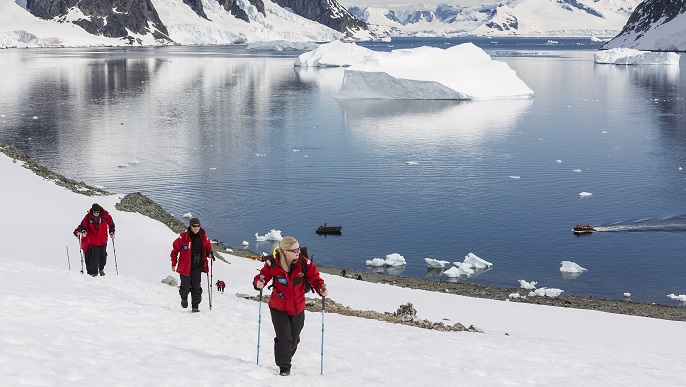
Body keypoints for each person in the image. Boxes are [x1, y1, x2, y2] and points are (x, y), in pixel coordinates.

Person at [253, 236, 328, 376]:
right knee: (284, 337)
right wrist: (259, 283)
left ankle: (285, 356)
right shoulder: (273, 264)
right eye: (294, 250)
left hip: (298, 308)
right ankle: (284, 367)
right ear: (285, 251)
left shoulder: (304, 263)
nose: (298, 252)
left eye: (298, 249)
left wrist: (321, 289)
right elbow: (262, 276)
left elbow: (315, 278)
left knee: (294, 338)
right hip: (278, 307)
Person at [171, 218, 214, 313]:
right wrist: (174, 263)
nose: (196, 228)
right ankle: (184, 297)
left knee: (196, 287)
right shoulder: (183, 237)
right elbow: (175, 250)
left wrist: (209, 253)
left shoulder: (203, 237)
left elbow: (208, 248)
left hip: (197, 266)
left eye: (198, 226)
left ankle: (195, 306)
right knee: (185, 286)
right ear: (190, 226)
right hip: (185, 266)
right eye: (194, 226)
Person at [74, 203, 115, 277]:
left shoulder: (106, 216)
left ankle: (101, 269)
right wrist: (83, 231)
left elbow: (111, 224)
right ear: (92, 211)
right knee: (94, 257)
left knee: (103, 256)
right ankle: (95, 272)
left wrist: (111, 232)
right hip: (93, 241)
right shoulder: (88, 217)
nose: (96, 213)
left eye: (97, 212)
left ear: (100, 211)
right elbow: (83, 225)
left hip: (103, 240)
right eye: (94, 212)